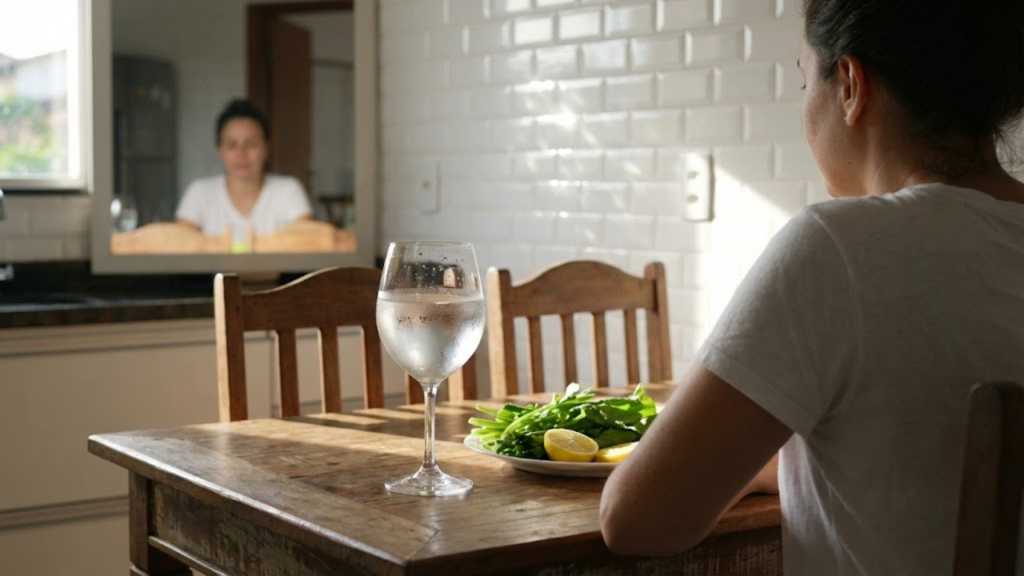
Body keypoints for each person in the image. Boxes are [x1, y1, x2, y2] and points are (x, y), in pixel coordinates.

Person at [600, 1, 1024, 574]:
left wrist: (733, 466)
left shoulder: (841, 247)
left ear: (850, 85)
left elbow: (637, 518)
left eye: (805, 80)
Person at [176, 99, 311, 242]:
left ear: (267, 148)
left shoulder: (288, 190)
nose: (241, 153)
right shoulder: (200, 193)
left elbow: (310, 243)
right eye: (232, 145)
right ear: (220, 150)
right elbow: (178, 249)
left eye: (251, 144)